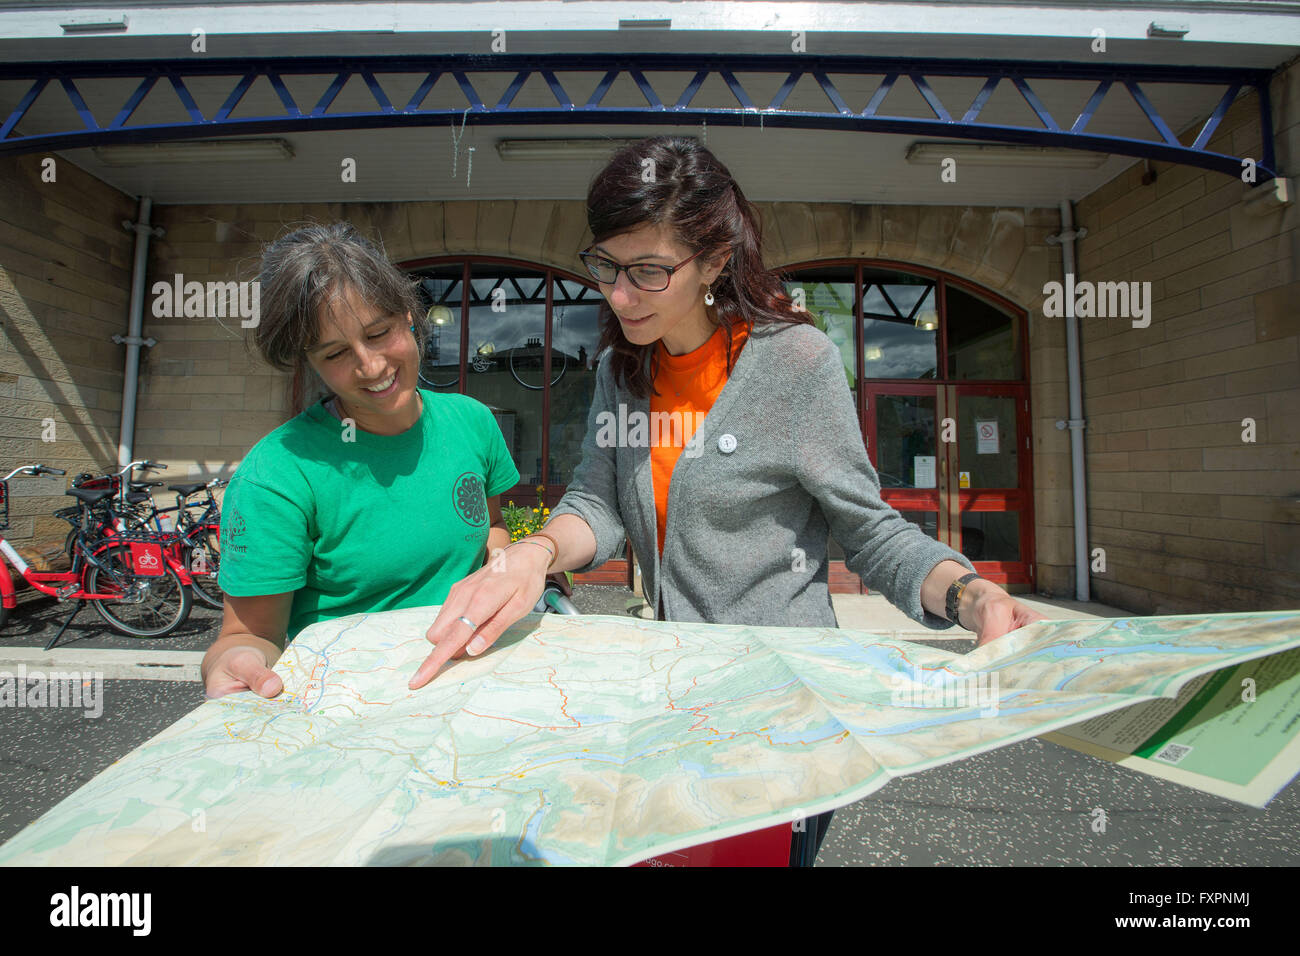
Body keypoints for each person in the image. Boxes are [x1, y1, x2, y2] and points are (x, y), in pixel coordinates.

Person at [408, 136, 1046, 864]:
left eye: (649, 271)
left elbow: (870, 533)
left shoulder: (796, 362)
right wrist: (537, 550)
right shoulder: (625, 368)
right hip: (677, 697)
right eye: (607, 266)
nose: (618, 296)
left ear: (714, 261)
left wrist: (970, 596)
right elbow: (600, 503)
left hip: (780, 709)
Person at [201, 222, 520, 699]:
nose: (371, 366)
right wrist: (233, 663)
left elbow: (491, 527)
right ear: (308, 361)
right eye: (336, 353)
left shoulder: (472, 421)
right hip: (357, 707)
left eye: (379, 332)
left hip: (474, 690)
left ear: (410, 316)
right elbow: (250, 635)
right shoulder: (277, 475)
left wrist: (503, 561)